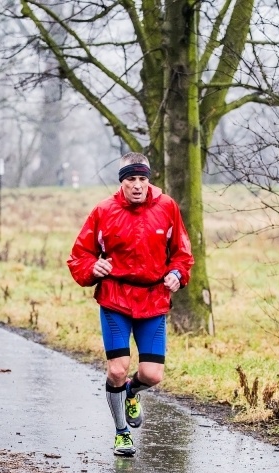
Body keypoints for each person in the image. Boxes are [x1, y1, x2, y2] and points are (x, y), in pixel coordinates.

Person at [67, 152, 194, 456]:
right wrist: (91, 268)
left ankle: (132, 393)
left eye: (142, 179)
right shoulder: (103, 212)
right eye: (131, 179)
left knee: (152, 375)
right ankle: (122, 432)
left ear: (149, 180)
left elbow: (182, 254)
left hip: (153, 299)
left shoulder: (167, 208)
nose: (137, 185)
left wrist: (178, 273)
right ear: (122, 182)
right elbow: (79, 255)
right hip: (116, 299)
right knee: (117, 370)